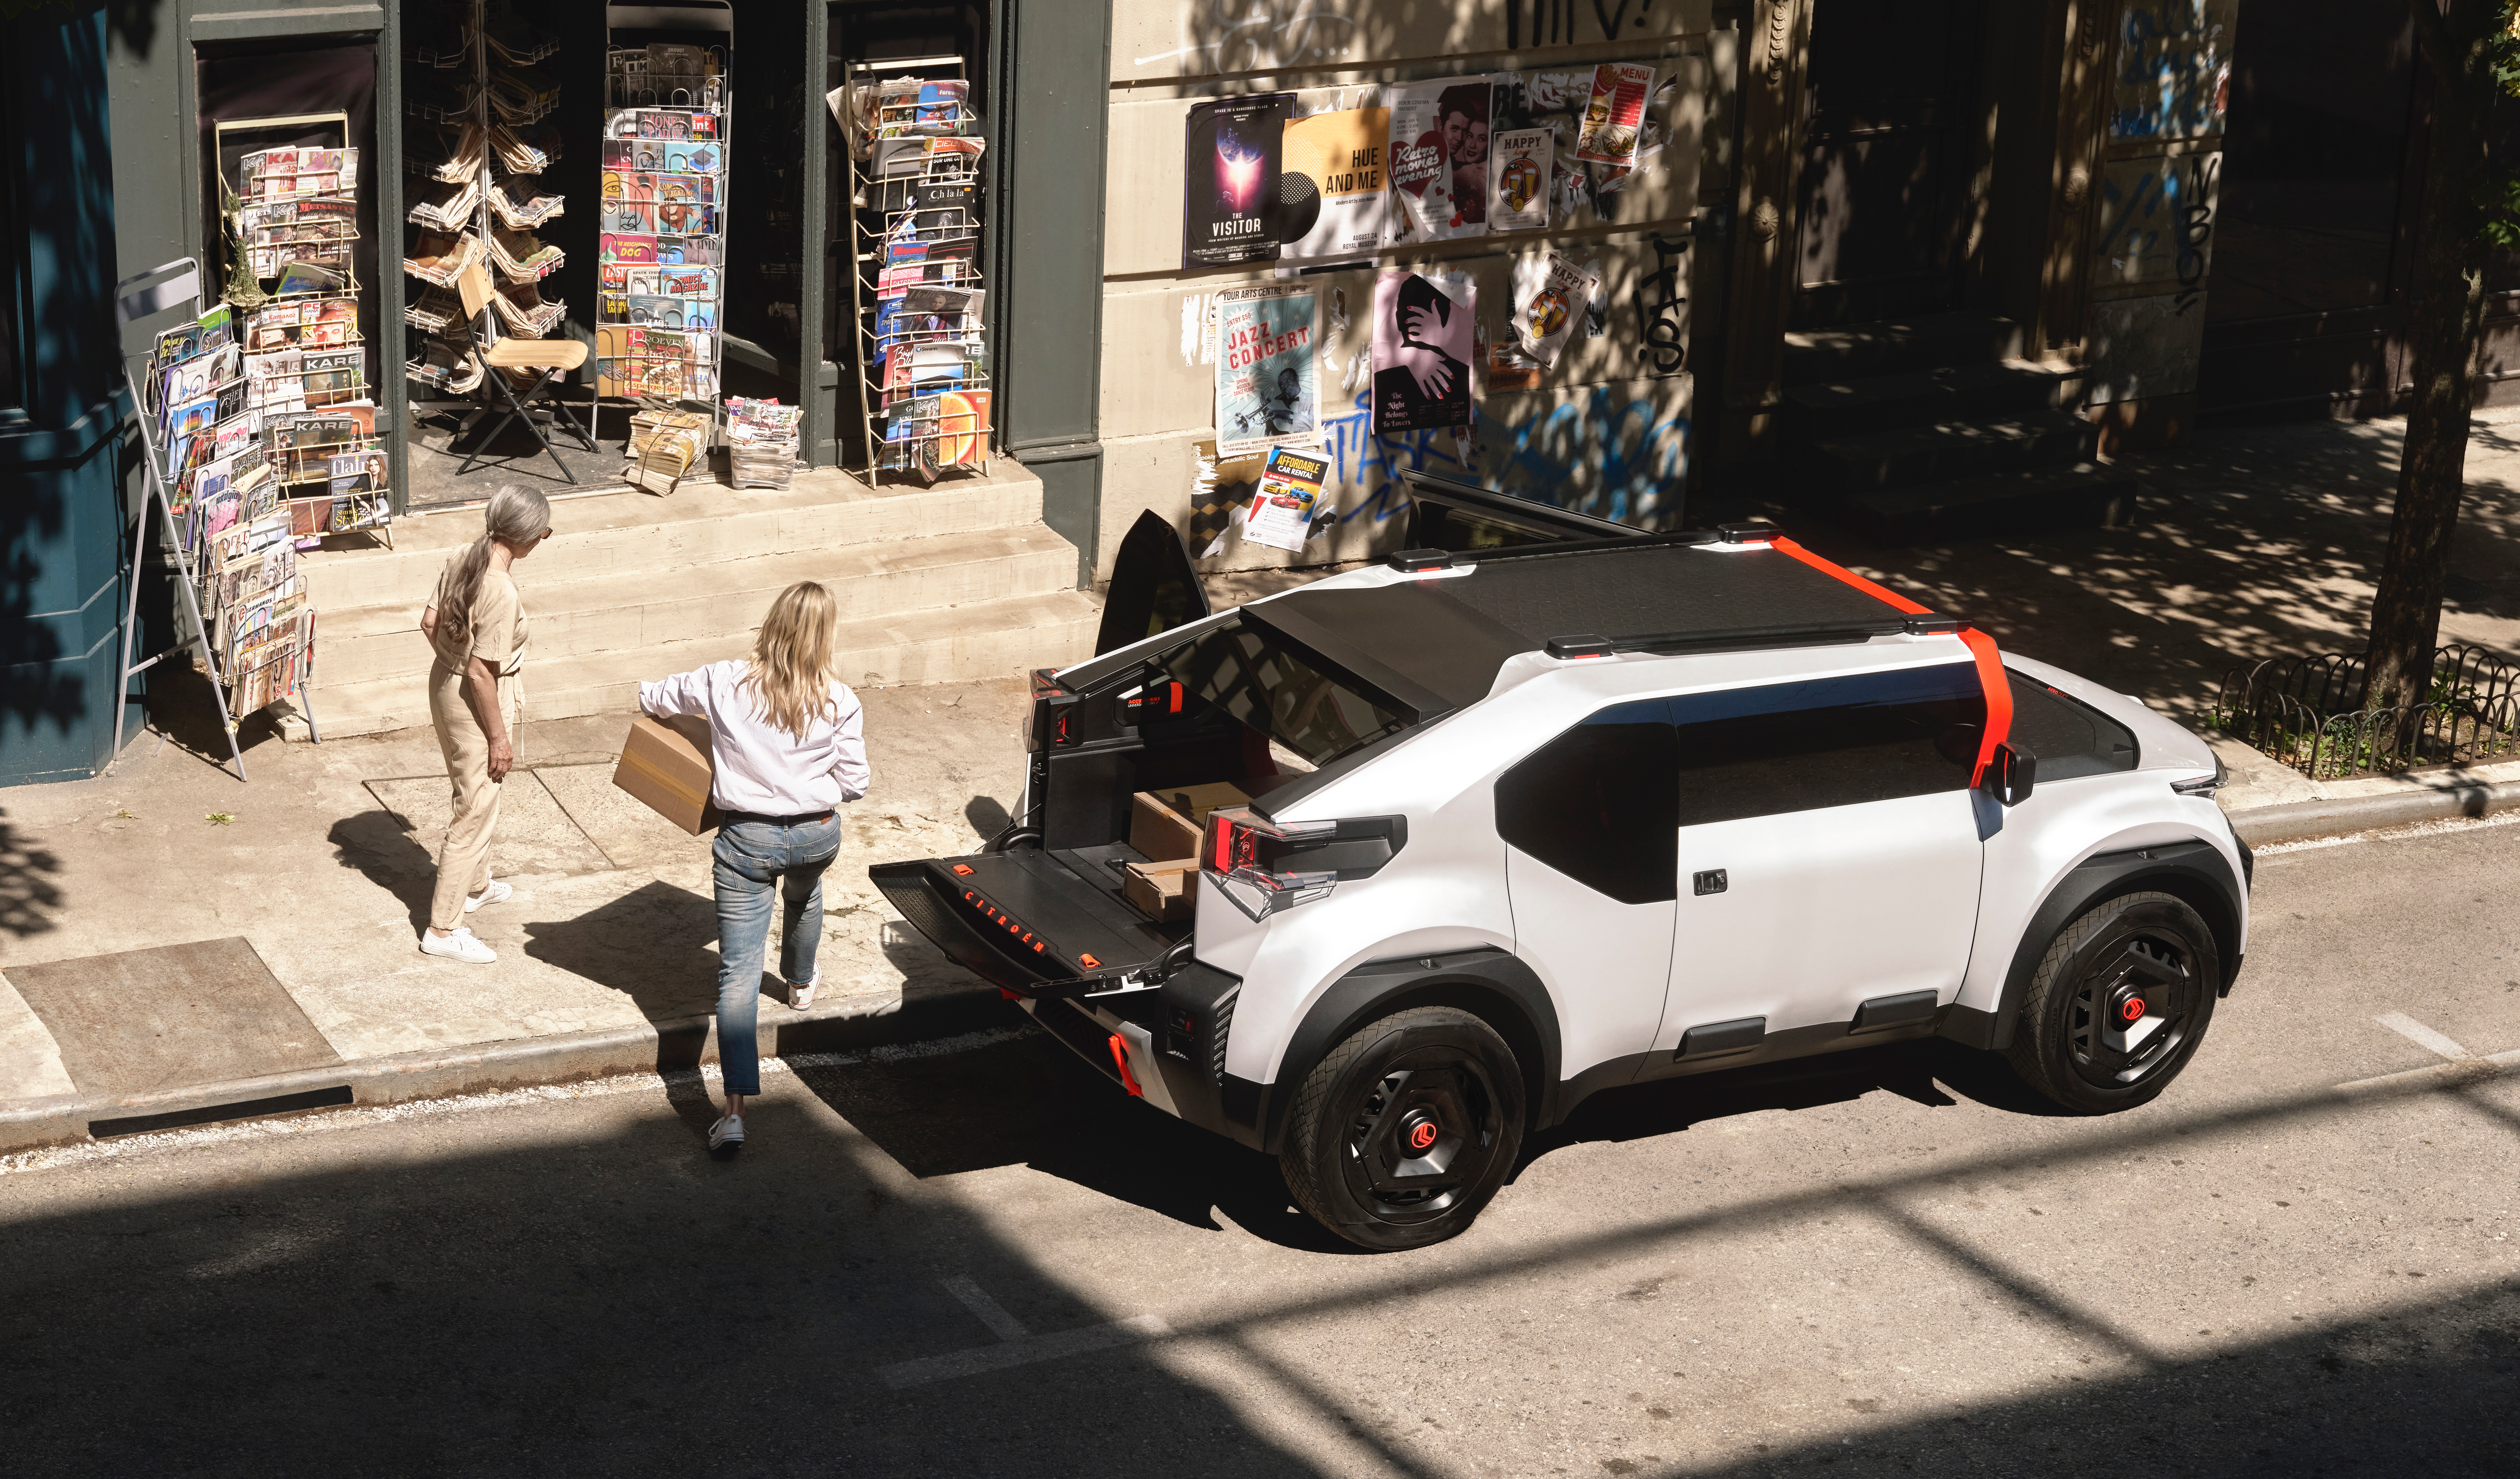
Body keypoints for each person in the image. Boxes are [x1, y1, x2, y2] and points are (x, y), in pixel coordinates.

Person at [639, 582, 870, 1158]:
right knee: (806, 893)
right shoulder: (840, 700)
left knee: (737, 976)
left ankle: (735, 1114)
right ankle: (799, 983)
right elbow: (857, 783)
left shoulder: (723, 681)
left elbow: (653, 698)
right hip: (817, 833)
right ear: (825, 637)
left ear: (772, 625)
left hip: (746, 838)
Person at [416, 485, 551, 964]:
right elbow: (481, 671)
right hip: (478, 698)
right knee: (476, 808)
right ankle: (443, 927)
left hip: (445, 686)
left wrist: (451, 665)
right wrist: (499, 737)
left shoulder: (461, 555)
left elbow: (429, 623)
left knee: (471, 789)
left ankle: (477, 884)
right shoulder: (502, 590)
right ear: (531, 536)